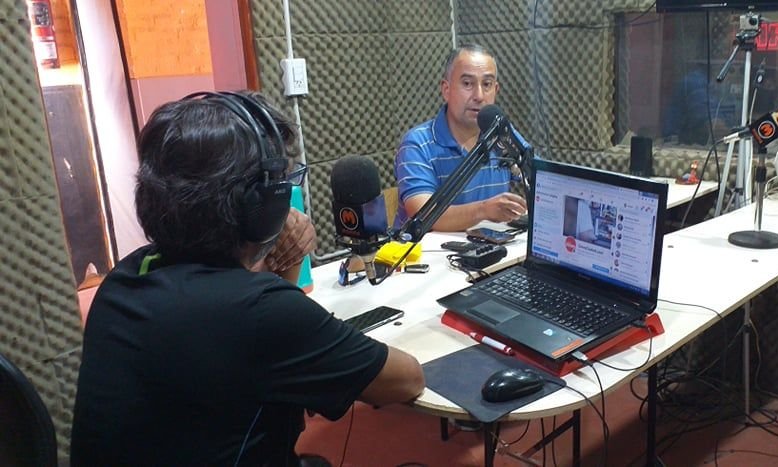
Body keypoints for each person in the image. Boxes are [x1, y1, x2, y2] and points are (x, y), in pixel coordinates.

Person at [71, 92, 425, 466]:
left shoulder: (124, 280)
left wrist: (282, 258)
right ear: (260, 205)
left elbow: (273, 352)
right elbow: (405, 380)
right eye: (282, 183)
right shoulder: (259, 311)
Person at [394, 43, 528, 232]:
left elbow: (540, 178)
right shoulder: (417, 144)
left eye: (487, 84)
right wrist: (483, 210)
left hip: (490, 254)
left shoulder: (501, 134)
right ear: (446, 89)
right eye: (467, 84)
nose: (479, 95)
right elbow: (422, 215)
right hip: (429, 258)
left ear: (496, 90)